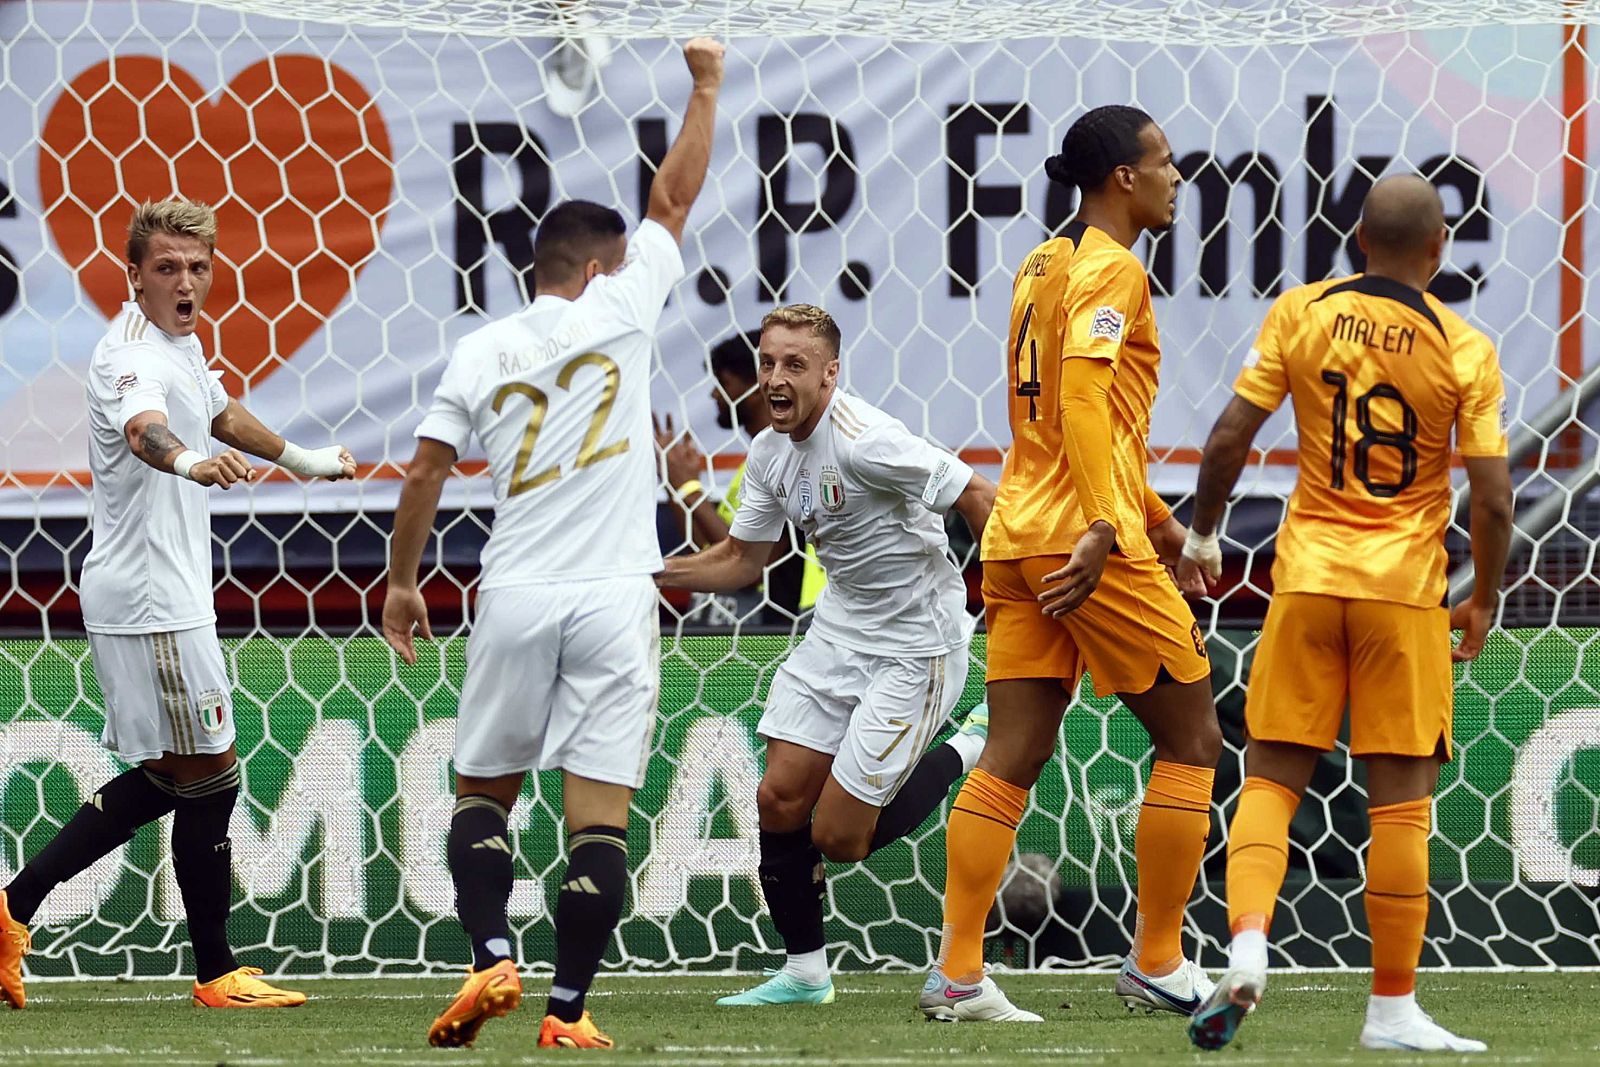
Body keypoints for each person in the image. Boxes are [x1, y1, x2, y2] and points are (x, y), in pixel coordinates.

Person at [381, 38, 725, 1052]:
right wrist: (705, 84)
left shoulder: (478, 347)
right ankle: (566, 1010)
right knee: (598, 820)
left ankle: (491, 948)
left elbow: (425, 475)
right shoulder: (621, 305)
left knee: (483, 790)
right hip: (617, 592)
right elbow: (673, 201)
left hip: (518, 590)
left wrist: (403, 583)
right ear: (597, 267)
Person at [1181, 175, 1513, 1054]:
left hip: (1305, 581)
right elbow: (1493, 499)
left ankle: (1248, 944)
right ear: (1439, 254)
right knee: (1400, 809)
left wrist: (1207, 534)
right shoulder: (1465, 347)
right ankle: (1392, 1009)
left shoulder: (1301, 313)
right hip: (1404, 595)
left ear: (1357, 240)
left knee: (1270, 782)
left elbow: (1226, 439)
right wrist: (1481, 596)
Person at [0, 197, 355, 1011]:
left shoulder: (180, 344)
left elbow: (219, 411)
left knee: (175, 774)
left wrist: (305, 460)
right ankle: (213, 970)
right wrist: (193, 466)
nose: (185, 280)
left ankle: (14, 908)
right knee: (213, 773)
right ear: (134, 275)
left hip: (165, 590)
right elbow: (146, 432)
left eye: (197, 265)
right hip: (154, 596)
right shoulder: (129, 356)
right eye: (166, 267)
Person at [923, 105, 1222, 1023]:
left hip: (1016, 534)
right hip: (1083, 541)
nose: (1179, 178)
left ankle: (960, 972)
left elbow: (1052, 422)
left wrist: (1157, 518)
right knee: (1193, 741)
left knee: (1012, 752)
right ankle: (1159, 959)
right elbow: (1085, 403)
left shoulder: (1041, 262)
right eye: (1165, 163)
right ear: (1124, 179)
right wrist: (1108, 524)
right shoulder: (1113, 268)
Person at [658, 303, 995, 1006]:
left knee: (839, 837)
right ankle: (806, 973)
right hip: (840, 630)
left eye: (795, 365)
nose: (776, 379)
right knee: (778, 797)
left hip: (915, 644)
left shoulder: (868, 439)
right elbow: (743, 559)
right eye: (769, 363)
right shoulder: (768, 453)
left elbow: (977, 493)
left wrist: (1005, 595)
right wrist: (650, 573)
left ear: (831, 373)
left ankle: (972, 742)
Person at [656, 328, 826, 622]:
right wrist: (676, 484)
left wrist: (691, 487)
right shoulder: (754, 464)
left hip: (780, 631)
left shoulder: (791, 459)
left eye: (723, 382)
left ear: (758, 387)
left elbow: (747, 567)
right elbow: (709, 550)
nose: (714, 394)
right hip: (730, 631)